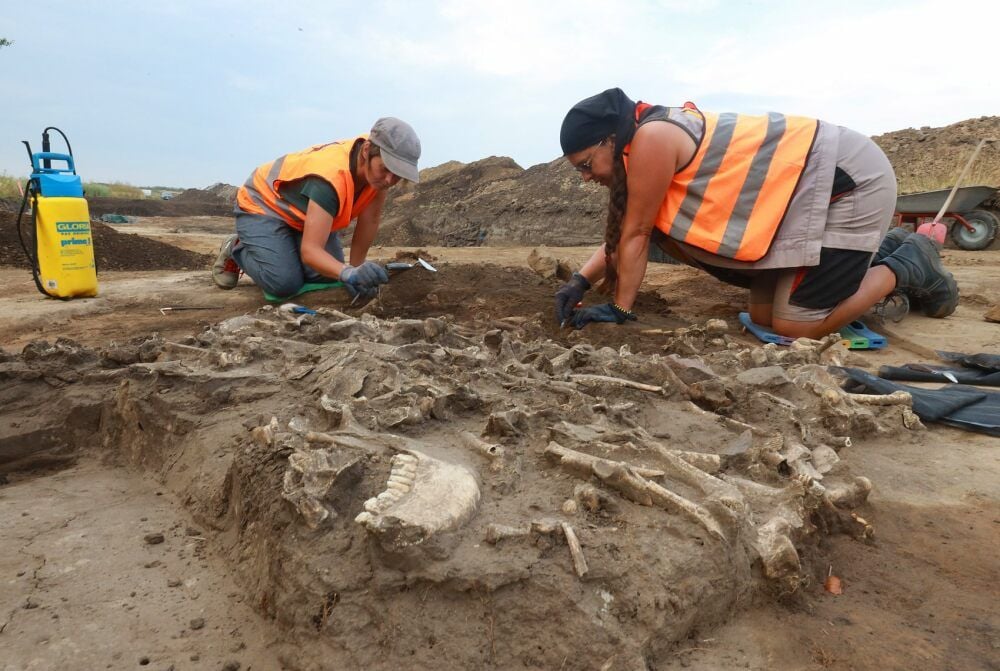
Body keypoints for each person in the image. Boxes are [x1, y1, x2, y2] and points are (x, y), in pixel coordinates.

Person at [554, 88, 959, 338]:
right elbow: (628, 229)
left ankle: (908, 262)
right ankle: (885, 248)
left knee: (796, 326)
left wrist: (621, 310)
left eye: (586, 164)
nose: (587, 177)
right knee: (763, 317)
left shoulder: (652, 137)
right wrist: (580, 282)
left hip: (846, 180)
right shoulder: (639, 140)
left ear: (610, 138)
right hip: (799, 202)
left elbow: (637, 232)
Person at [212, 117, 421, 299]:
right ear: (367, 151)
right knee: (284, 282)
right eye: (385, 170)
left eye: (397, 175)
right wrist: (348, 273)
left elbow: (370, 221)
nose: (389, 180)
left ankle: (279, 249)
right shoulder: (330, 179)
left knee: (326, 271)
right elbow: (311, 251)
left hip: (300, 214)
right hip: (262, 205)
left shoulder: (380, 172)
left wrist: (358, 270)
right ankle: (237, 247)